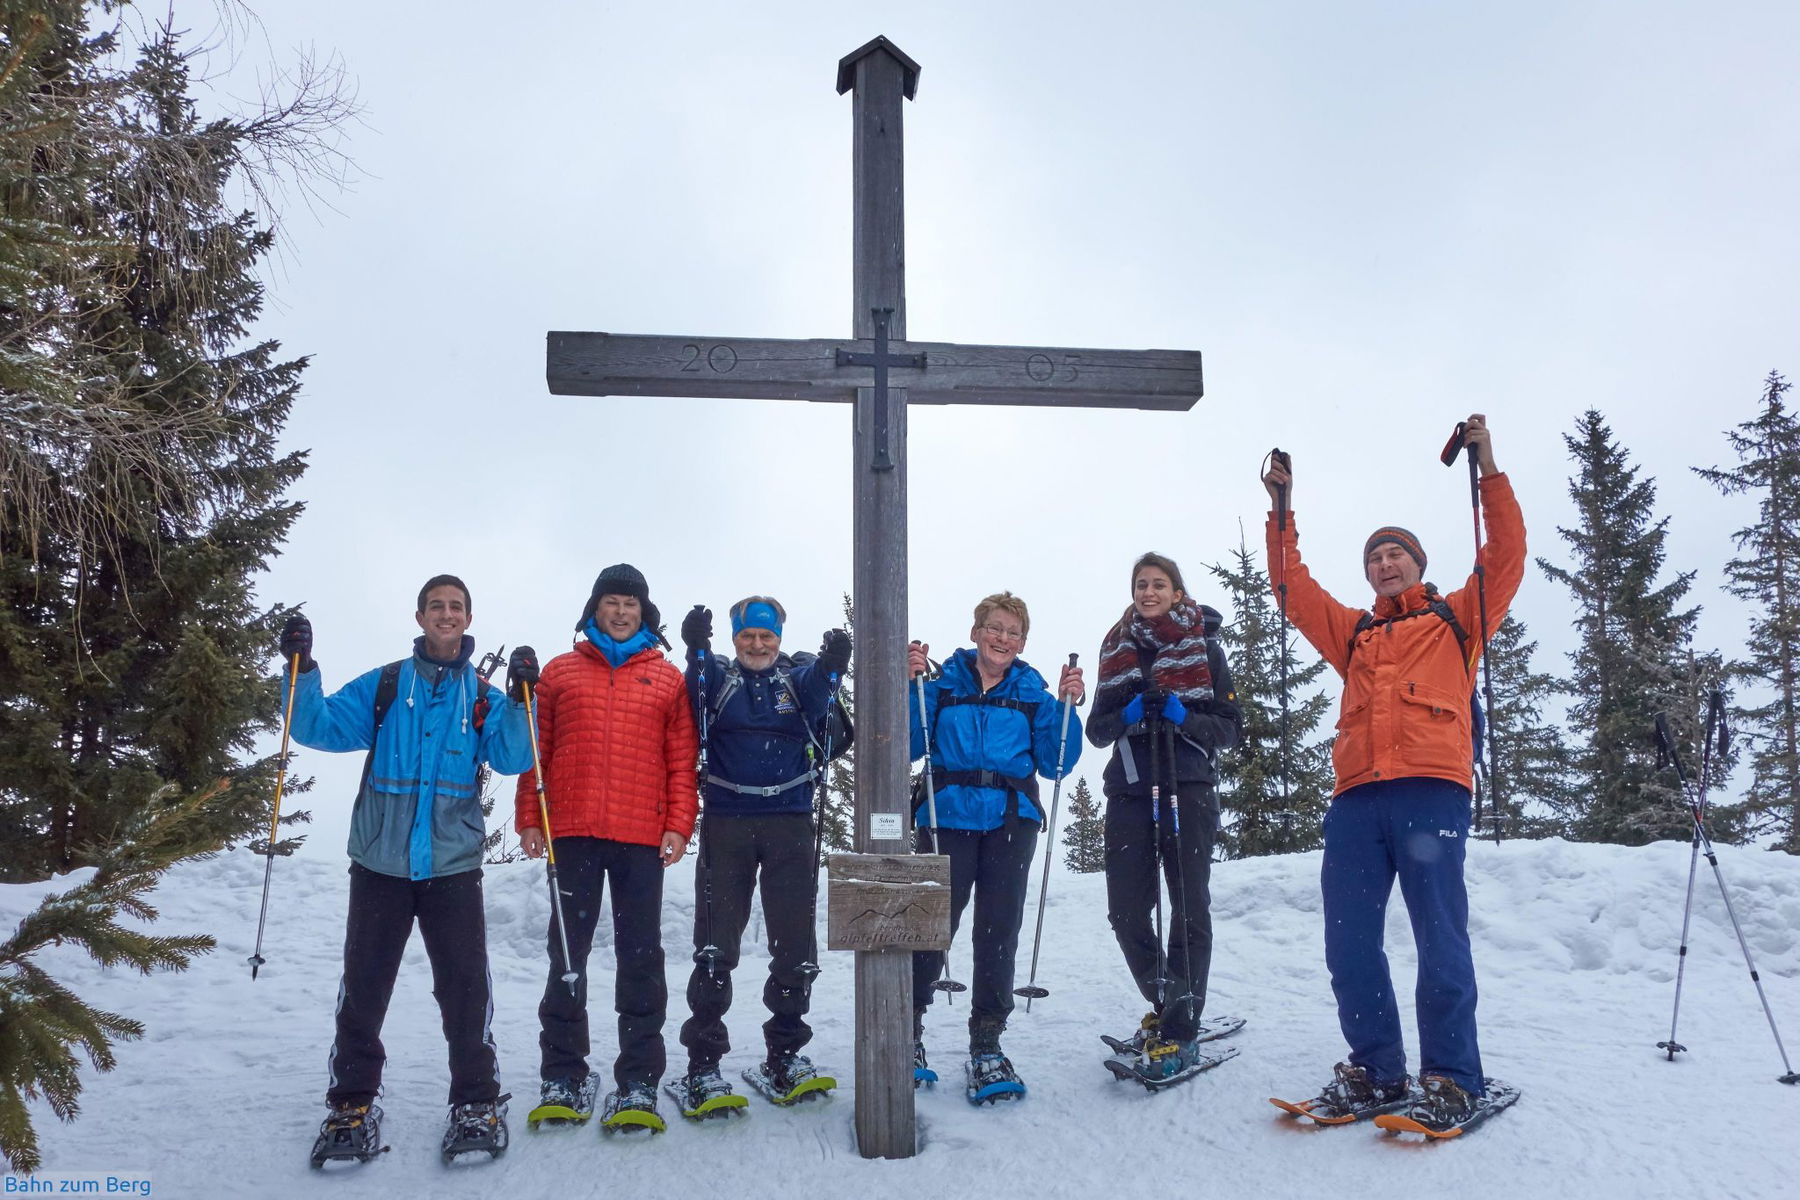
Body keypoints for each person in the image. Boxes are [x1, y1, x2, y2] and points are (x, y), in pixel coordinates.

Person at [1261, 412, 1524, 1131]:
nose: (1384, 563)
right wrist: (1282, 508)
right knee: (1348, 941)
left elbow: (1505, 553)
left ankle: (1453, 1078)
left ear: (1419, 564)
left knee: (1440, 937)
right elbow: (1291, 588)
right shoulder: (1356, 633)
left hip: (1431, 790)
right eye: (1375, 556)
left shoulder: (1458, 619)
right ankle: (1377, 1071)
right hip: (1356, 800)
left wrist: (1488, 467)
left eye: (1396, 553)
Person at [280, 575, 536, 1165]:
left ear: (468, 618)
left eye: (456, 606)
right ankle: (351, 1102)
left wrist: (524, 699)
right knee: (364, 987)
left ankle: (476, 1100)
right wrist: (302, 667)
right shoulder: (387, 684)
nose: (446, 614)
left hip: (452, 867)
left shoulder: (482, 698)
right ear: (420, 617)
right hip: (380, 864)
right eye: (436, 606)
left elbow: (515, 756)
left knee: (465, 989)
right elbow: (315, 725)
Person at [515, 563, 698, 1132]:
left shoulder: (667, 678)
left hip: (641, 837)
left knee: (640, 958)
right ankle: (564, 1073)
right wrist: (530, 818)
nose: (620, 612)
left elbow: (681, 760)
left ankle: (639, 1077)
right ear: (594, 608)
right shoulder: (559, 672)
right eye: (611, 602)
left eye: (630, 604)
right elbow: (535, 751)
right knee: (567, 955)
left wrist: (679, 823)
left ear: (645, 613)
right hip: (571, 831)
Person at [675, 597, 852, 1110]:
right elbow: (697, 685)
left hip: (789, 821)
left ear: (778, 638)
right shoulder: (721, 680)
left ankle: (785, 1054)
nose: (757, 645)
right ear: (736, 639)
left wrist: (832, 663)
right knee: (715, 946)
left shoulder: (795, 682)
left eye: (766, 636)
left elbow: (819, 690)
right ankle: (703, 1063)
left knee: (795, 945)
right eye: (748, 636)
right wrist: (696, 648)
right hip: (727, 822)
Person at [907, 592, 1084, 1100]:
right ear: (975, 632)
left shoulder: (1033, 694)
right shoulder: (941, 686)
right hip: (946, 816)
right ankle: (908, 1029)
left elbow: (1056, 762)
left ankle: (987, 1041)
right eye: (994, 628)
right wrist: (910, 686)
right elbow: (910, 744)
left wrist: (1067, 708)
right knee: (931, 924)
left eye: (1013, 632)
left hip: (1010, 819)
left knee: (998, 929)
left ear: (1022, 643)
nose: (1003, 638)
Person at [1085, 553, 1243, 1085]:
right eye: (1141, 584)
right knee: (1126, 911)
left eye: (1159, 584)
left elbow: (1230, 729)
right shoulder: (1116, 649)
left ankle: (1180, 1025)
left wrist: (1183, 715)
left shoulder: (1206, 647)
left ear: (1177, 592)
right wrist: (1128, 714)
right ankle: (1173, 998)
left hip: (1188, 788)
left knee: (1188, 908)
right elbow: (1097, 731)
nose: (1148, 592)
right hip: (1130, 791)